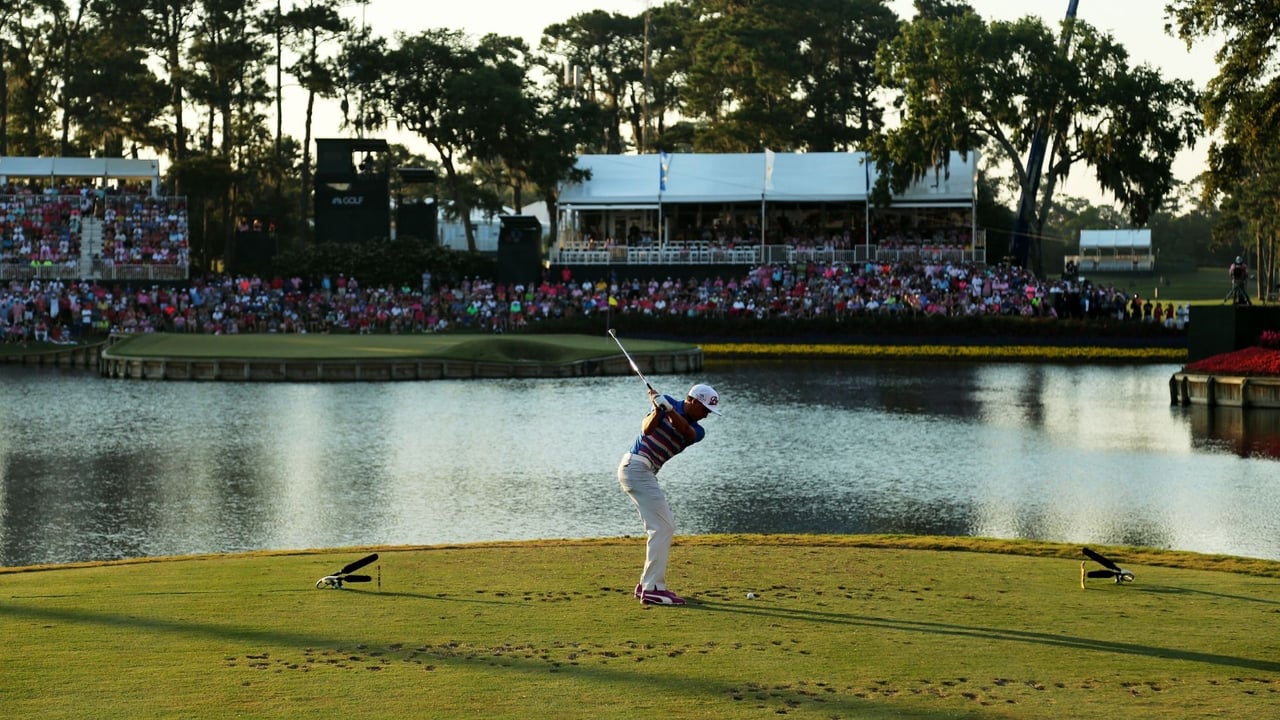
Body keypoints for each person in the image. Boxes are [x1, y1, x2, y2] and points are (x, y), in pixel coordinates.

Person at [617, 382, 722, 606]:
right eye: (704, 409)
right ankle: (652, 589)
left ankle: (648, 585)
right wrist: (658, 409)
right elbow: (646, 429)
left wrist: (669, 409)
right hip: (636, 467)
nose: (706, 415)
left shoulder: (698, 431)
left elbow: (685, 431)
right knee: (663, 527)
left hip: (642, 471)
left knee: (661, 527)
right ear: (692, 400)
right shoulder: (668, 403)